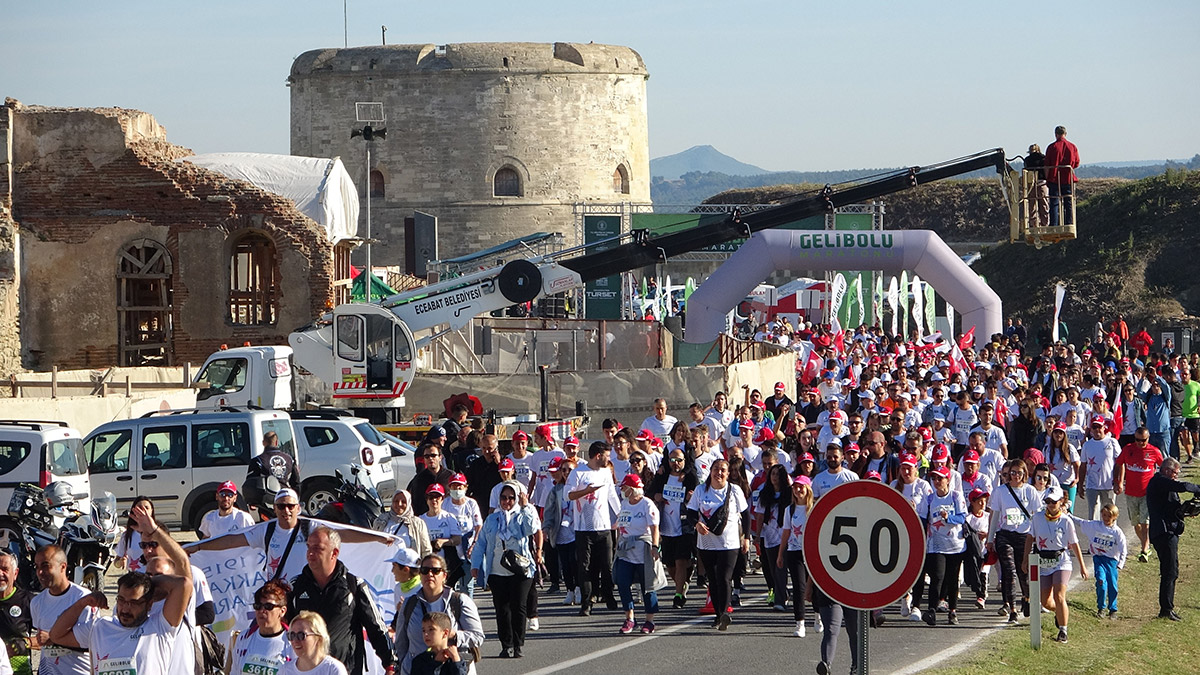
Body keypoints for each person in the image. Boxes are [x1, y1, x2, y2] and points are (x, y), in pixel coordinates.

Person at [49, 500, 192, 674]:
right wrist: (82, 603)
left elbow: (184, 582)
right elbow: (57, 635)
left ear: (148, 604)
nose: (125, 608)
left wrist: (148, 584)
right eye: (122, 600)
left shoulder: (159, 626)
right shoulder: (101, 628)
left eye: (134, 602)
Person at [190, 488, 394, 582]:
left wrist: (375, 537)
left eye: (290, 506)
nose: (285, 511)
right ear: (275, 508)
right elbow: (233, 540)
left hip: (307, 591)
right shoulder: (267, 530)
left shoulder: (310, 527)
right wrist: (199, 546)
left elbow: (341, 535)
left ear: (298, 508)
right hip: (279, 595)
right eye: (281, 506)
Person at [287, 526, 395, 675]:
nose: (310, 553)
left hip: (346, 669)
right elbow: (284, 626)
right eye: (309, 547)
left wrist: (390, 664)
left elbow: (376, 626)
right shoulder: (296, 586)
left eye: (318, 548)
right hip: (307, 670)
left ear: (334, 553)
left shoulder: (353, 585)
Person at [471, 482, 538, 658]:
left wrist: (525, 507)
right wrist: (476, 565)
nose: (507, 501)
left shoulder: (523, 514)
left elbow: (531, 528)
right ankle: (506, 644)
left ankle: (518, 644)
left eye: (511, 498)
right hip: (497, 570)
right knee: (502, 609)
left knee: (519, 607)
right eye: (503, 497)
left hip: (520, 569)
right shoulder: (492, 518)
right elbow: (481, 544)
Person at [686, 458, 750, 631]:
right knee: (712, 579)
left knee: (724, 577)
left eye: (723, 470)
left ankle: (724, 613)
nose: (719, 473)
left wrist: (746, 538)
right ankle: (717, 614)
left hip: (729, 543)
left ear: (728, 473)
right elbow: (691, 512)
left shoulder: (734, 490)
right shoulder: (701, 490)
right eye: (716, 469)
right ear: (711, 471)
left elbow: (746, 515)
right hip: (706, 542)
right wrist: (696, 524)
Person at [394, 554, 484, 675]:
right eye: (425, 570)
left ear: (444, 575)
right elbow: (401, 643)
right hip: (418, 670)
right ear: (420, 575)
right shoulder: (410, 604)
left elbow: (477, 637)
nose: (429, 574)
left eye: (435, 571)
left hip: (453, 669)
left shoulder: (459, 601)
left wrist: (453, 636)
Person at [565, 441, 621, 615]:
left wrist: (621, 516)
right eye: (606, 455)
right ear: (598, 455)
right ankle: (587, 601)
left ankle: (608, 594)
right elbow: (568, 495)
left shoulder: (605, 472)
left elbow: (611, 495)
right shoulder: (578, 473)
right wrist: (586, 491)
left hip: (604, 526)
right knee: (585, 566)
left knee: (607, 564)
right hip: (583, 528)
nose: (608, 459)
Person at [1145, 457, 1200, 620]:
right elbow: (1182, 486)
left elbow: (1170, 507)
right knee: (1169, 571)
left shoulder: (1164, 484)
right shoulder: (1159, 482)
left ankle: (1168, 607)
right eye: (1175, 473)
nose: (1176, 476)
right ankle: (1166, 609)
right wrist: (1197, 488)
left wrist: (1186, 510)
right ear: (1167, 470)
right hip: (1163, 533)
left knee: (1172, 571)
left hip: (1169, 531)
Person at [987, 458, 1040, 624]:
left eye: (1019, 472)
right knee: (1009, 572)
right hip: (1005, 535)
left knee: (1023, 572)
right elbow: (994, 516)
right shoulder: (1000, 491)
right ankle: (1012, 609)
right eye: (1013, 472)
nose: (1016, 476)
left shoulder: (1030, 491)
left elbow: (1037, 515)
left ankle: (1027, 598)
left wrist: (1038, 537)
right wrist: (991, 538)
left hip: (1024, 536)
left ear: (1024, 474)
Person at [648, 448, 697, 609]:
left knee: (681, 560)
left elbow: (698, 495)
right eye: (672, 460)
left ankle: (678, 596)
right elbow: (650, 493)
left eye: (679, 460)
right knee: (670, 563)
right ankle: (682, 585)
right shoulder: (662, 476)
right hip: (666, 526)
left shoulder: (689, 477)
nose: (676, 464)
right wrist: (656, 496)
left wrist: (691, 496)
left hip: (684, 526)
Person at [30, 545, 90, 675]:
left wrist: (52, 638)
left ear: (63, 567)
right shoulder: (36, 602)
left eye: (45, 566)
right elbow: (41, 642)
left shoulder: (83, 599)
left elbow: (89, 642)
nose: (40, 572)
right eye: (37, 567)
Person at [613, 473, 661, 634]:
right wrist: (618, 545)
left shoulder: (647, 504)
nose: (623, 491)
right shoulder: (625, 504)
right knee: (623, 582)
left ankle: (649, 620)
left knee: (647, 586)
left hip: (643, 549)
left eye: (625, 488)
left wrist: (655, 546)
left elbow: (654, 527)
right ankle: (629, 617)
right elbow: (621, 525)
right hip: (626, 550)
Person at [920, 466, 967, 626]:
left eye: (940, 478)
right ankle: (931, 610)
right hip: (936, 544)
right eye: (934, 479)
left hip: (955, 545)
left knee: (952, 579)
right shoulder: (930, 498)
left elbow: (962, 518)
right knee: (937, 577)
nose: (937, 482)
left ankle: (952, 611)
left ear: (948, 480)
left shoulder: (955, 496)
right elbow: (924, 518)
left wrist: (949, 518)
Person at [1114, 428, 1163, 562]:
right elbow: (1119, 464)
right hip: (1130, 493)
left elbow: (1163, 468)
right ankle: (1146, 544)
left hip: (1147, 493)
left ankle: (1144, 550)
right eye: (1137, 440)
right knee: (1135, 523)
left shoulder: (1154, 451)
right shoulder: (1128, 449)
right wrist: (1117, 482)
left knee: (1145, 522)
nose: (1140, 443)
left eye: (1143, 440)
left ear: (1148, 439)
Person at [1071, 503, 1127, 619]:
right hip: (1099, 559)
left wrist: (1121, 563)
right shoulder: (1095, 526)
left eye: (1109, 516)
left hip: (1111, 562)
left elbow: (1123, 549)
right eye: (1104, 515)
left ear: (1114, 517)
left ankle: (1113, 609)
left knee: (1112, 585)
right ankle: (1101, 607)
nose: (1106, 519)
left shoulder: (1117, 532)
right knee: (1101, 582)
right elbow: (1081, 522)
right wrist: (1068, 515)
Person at [231, 579, 292, 675]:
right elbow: (235, 672)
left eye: (268, 606)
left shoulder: (293, 642)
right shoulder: (243, 638)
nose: (262, 611)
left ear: (282, 611)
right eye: (258, 606)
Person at [778, 475, 813, 638]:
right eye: (795, 487)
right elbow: (786, 531)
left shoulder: (814, 508)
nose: (798, 490)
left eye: (801, 487)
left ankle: (818, 615)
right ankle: (800, 622)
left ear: (808, 489)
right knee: (799, 587)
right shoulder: (789, 510)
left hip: (811, 551)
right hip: (794, 551)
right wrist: (780, 553)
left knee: (815, 587)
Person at [244, 431, 302, 517]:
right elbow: (296, 482)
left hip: (267, 503)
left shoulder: (258, 461)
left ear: (263, 443)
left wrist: (252, 502)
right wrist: (295, 500)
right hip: (286, 499)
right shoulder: (289, 459)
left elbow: (251, 483)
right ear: (276, 442)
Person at [1079, 414, 1122, 519]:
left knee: (1110, 516)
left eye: (1099, 427)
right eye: (1094, 427)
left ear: (1104, 427)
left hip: (1108, 485)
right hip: (1092, 485)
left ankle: (1110, 536)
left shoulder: (1112, 442)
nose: (1097, 430)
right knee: (1093, 516)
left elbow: (1120, 464)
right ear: (1091, 429)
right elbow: (1083, 466)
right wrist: (1080, 485)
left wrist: (1119, 481)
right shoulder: (1087, 445)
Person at [374, 490, 434, 560]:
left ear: (409, 503)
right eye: (396, 501)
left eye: (403, 502)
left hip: (407, 568)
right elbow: (372, 544)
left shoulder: (418, 523)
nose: (399, 504)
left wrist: (424, 568)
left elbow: (426, 550)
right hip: (383, 565)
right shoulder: (381, 520)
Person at [282, 611, 347, 675]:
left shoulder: (333, 669)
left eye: (301, 635)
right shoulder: (285, 670)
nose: (295, 640)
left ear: (319, 638)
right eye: (292, 635)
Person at [0, 552, 34, 675]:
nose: (0, 574)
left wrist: (25, 644)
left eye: (5, 569)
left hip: (19, 671)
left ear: (15, 573)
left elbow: (51, 636)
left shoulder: (29, 601)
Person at [1044, 125, 1080, 227]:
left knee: (1054, 203)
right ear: (1065, 134)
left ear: (1055, 134)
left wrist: (1047, 178)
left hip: (1054, 178)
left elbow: (1047, 165)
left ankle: (1054, 225)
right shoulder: (1072, 146)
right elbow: (1076, 163)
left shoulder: (1052, 147)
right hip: (1068, 178)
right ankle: (1069, 223)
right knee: (1068, 202)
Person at [409, 443, 456, 517]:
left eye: (433, 455)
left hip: (448, 519)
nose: (430, 459)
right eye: (426, 456)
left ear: (440, 457)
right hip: (426, 519)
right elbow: (415, 504)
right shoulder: (419, 479)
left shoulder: (450, 476)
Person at [1024, 143, 1048, 228]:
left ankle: (1033, 224)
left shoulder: (1027, 160)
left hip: (1031, 185)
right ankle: (1044, 224)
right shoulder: (1043, 158)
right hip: (1042, 183)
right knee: (1044, 205)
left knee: (1032, 206)